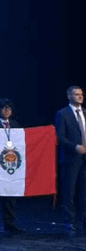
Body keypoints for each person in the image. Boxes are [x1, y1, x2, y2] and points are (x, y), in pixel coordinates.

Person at [0, 98, 25, 233]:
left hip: (11, 164)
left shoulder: (15, 125)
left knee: (11, 195)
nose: (7, 110)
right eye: (4, 108)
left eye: (9, 108)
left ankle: (9, 223)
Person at [55, 86, 86, 231]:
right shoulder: (63, 114)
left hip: (84, 159)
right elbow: (60, 137)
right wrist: (75, 147)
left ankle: (84, 220)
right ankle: (70, 221)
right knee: (70, 192)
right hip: (71, 158)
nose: (80, 97)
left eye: (81, 94)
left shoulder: (85, 113)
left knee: (84, 191)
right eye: (76, 94)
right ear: (69, 96)